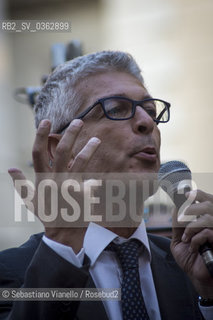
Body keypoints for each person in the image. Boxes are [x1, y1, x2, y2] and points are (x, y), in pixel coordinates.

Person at [0, 51, 213, 320]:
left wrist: (209, 295)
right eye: (115, 109)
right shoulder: (12, 274)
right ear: (58, 149)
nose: (147, 122)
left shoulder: (193, 267)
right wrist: (64, 243)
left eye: (150, 111)